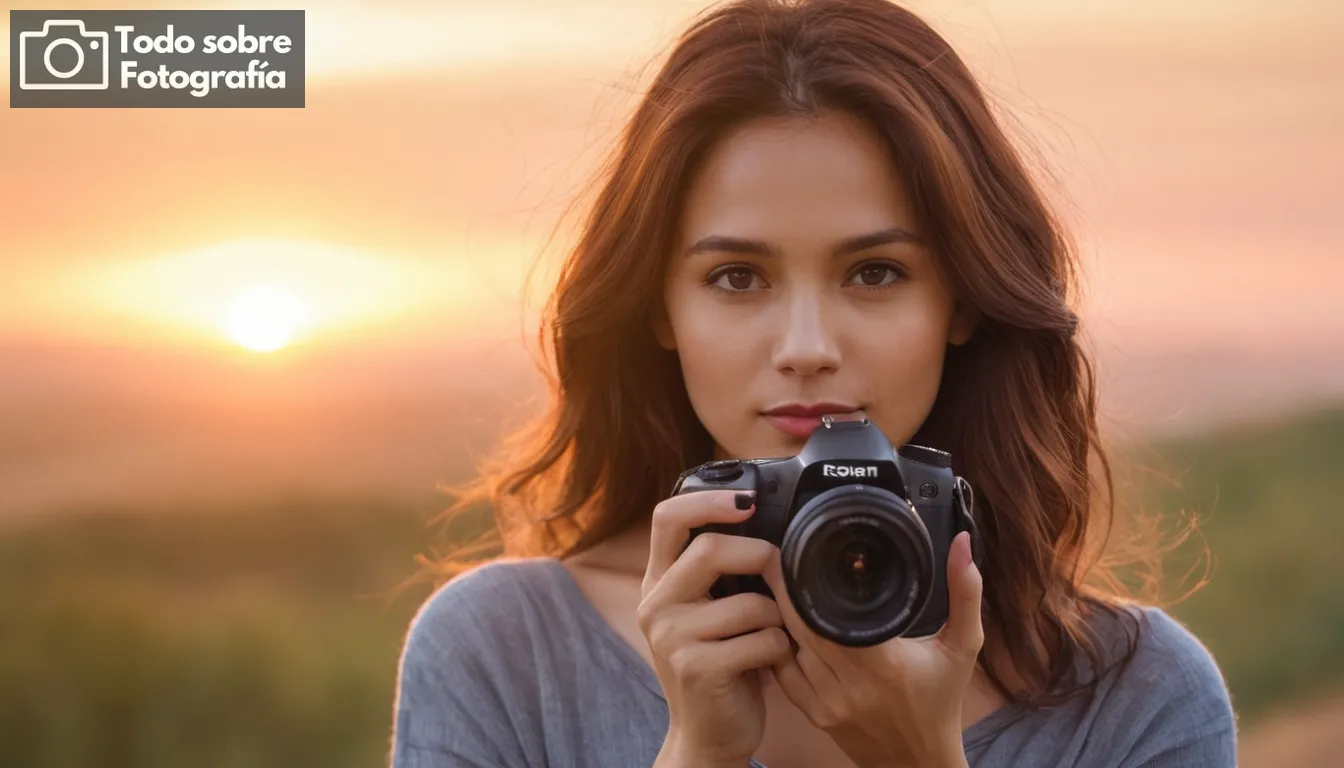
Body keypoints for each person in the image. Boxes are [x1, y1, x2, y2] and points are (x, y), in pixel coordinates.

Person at [389, 0, 1238, 765]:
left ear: (964, 298)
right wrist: (695, 754)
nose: (806, 348)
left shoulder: (1136, 699)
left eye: (874, 272)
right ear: (659, 310)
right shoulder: (504, 656)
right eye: (736, 278)